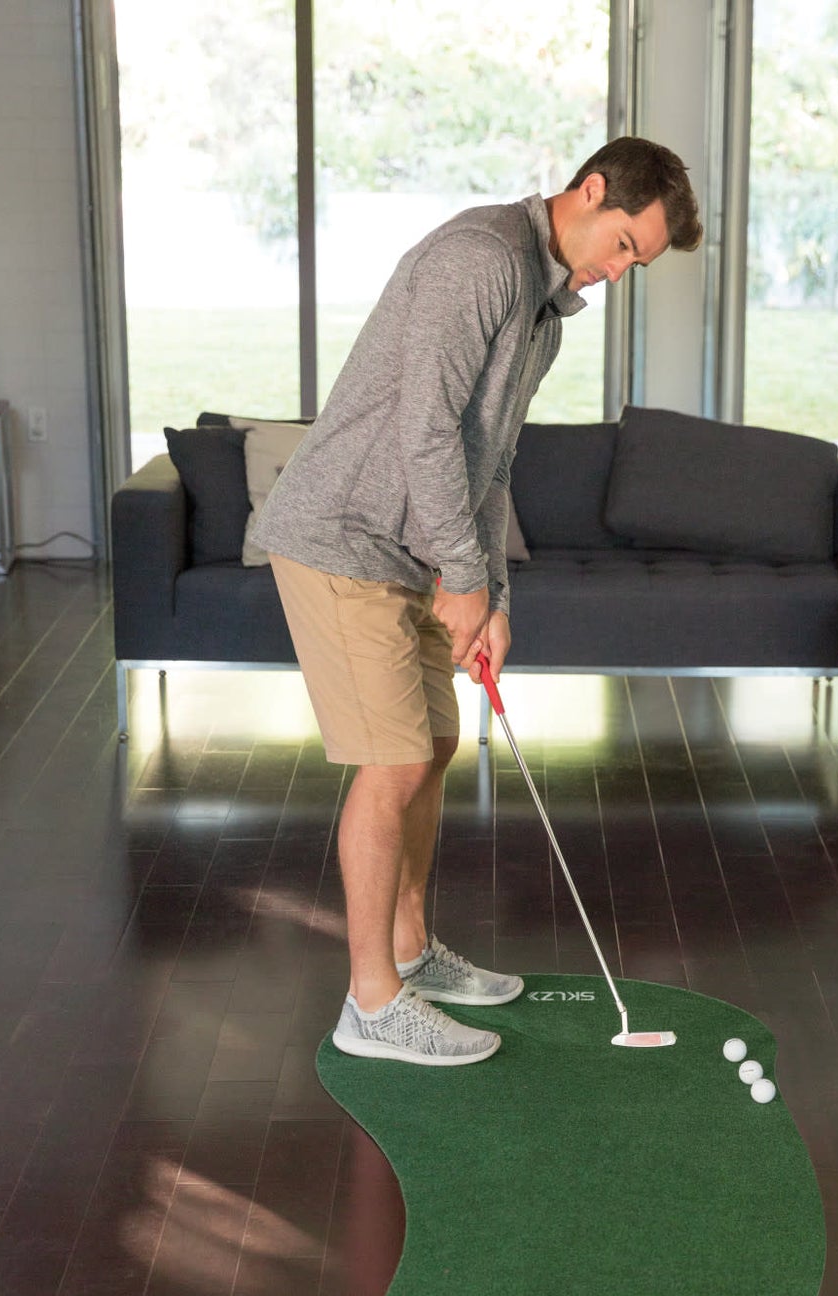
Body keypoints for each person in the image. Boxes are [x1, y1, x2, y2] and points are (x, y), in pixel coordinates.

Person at [256, 137, 702, 1066]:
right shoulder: (480, 261)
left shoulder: (546, 310)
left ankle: (411, 953)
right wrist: (459, 577)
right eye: (623, 244)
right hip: (344, 535)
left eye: (637, 263)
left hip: (412, 547)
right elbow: (425, 429)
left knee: (437, 744)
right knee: (391, 763)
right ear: (589, 191)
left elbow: (488, 456)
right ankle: (371, 1005)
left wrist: (490, 591)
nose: (619, 272)